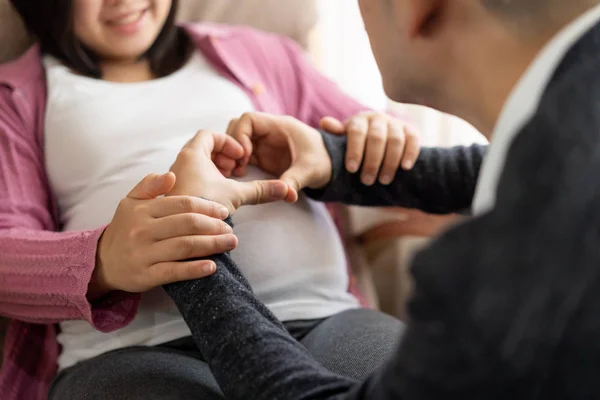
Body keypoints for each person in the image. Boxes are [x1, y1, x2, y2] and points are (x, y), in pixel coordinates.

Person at [159, 0, 600, 399]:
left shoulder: (504, 272)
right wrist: (336, 162)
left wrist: (194, 247)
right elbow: (514, 167)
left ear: (415, 8)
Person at [0, 1, 423, 399]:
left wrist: (380, 133)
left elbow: (386, 151)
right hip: (131, 351)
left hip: (321, 318)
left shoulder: (261, 53)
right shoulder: (13, 99)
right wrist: (104, 260)